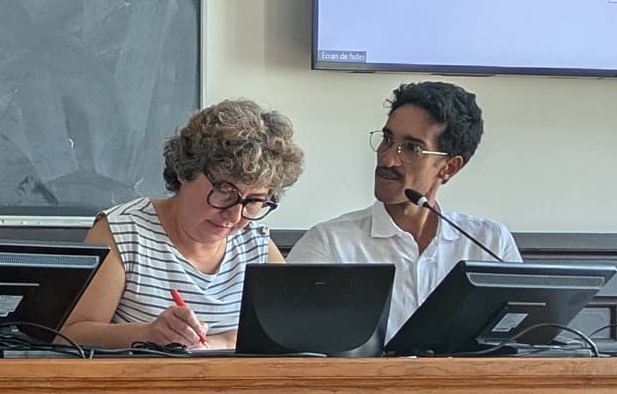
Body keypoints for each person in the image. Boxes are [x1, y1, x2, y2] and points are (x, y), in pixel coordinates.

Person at [62, 98, 303, 351]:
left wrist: (219, 342)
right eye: (224, 191)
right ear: (185, 171)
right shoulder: (124, 233)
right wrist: (147, 333)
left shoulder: (256, 243)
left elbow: (290, 329)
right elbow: (69, 334)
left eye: (254, 201)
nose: (233, 216)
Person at [287, 80, 517, 339]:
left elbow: (515, 347)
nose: (388, 159)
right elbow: (293, 353)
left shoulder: (490, 244)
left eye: (411, 148)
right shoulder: (330, 244)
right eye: (387, 139)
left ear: (448, 167)